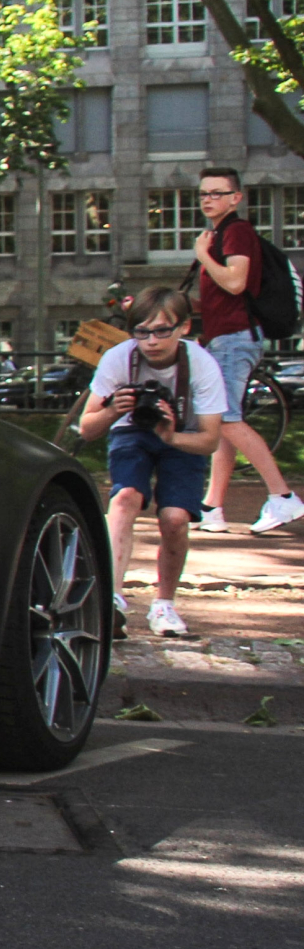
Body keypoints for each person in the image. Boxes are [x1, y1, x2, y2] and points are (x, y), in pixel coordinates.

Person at [81, 286, 227, 637]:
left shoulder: (201, 365)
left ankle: (164, 604)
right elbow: (87, 428)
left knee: (175, 518)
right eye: (142, 331)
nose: (151, 341)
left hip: (183, 436)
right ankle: (112, 598)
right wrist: (114, 409)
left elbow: (210, 440)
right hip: (132, 431)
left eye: (162, 330)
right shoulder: (119, 358)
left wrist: (172, 435)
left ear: (184, 328)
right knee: (125, 497)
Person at [189, 166, 304, 533]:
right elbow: (218, 298)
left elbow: (236, 283)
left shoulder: (236, 232)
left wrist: (203, 255)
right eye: (204, 193)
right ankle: (212, 508)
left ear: (236, 198)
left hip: (236, 338)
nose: (209, 199)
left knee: (225, 419)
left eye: (218, 193)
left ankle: (282, 498)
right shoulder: (221, 234)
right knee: (225, 423)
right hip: (227, 336)